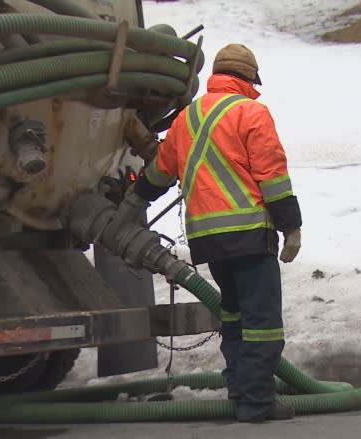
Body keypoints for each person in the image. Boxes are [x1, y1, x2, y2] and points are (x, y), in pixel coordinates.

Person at [131, 43, 301, 422]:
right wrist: (292, 227)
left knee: (236, 317)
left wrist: (131, 200)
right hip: (249, 233)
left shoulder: (188, 117)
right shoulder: (250, 112)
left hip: (208, 239)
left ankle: (240, 389)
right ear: (249, 78)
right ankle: (258, 402)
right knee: (263, 324)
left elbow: (160, 170)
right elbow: (272, 176)